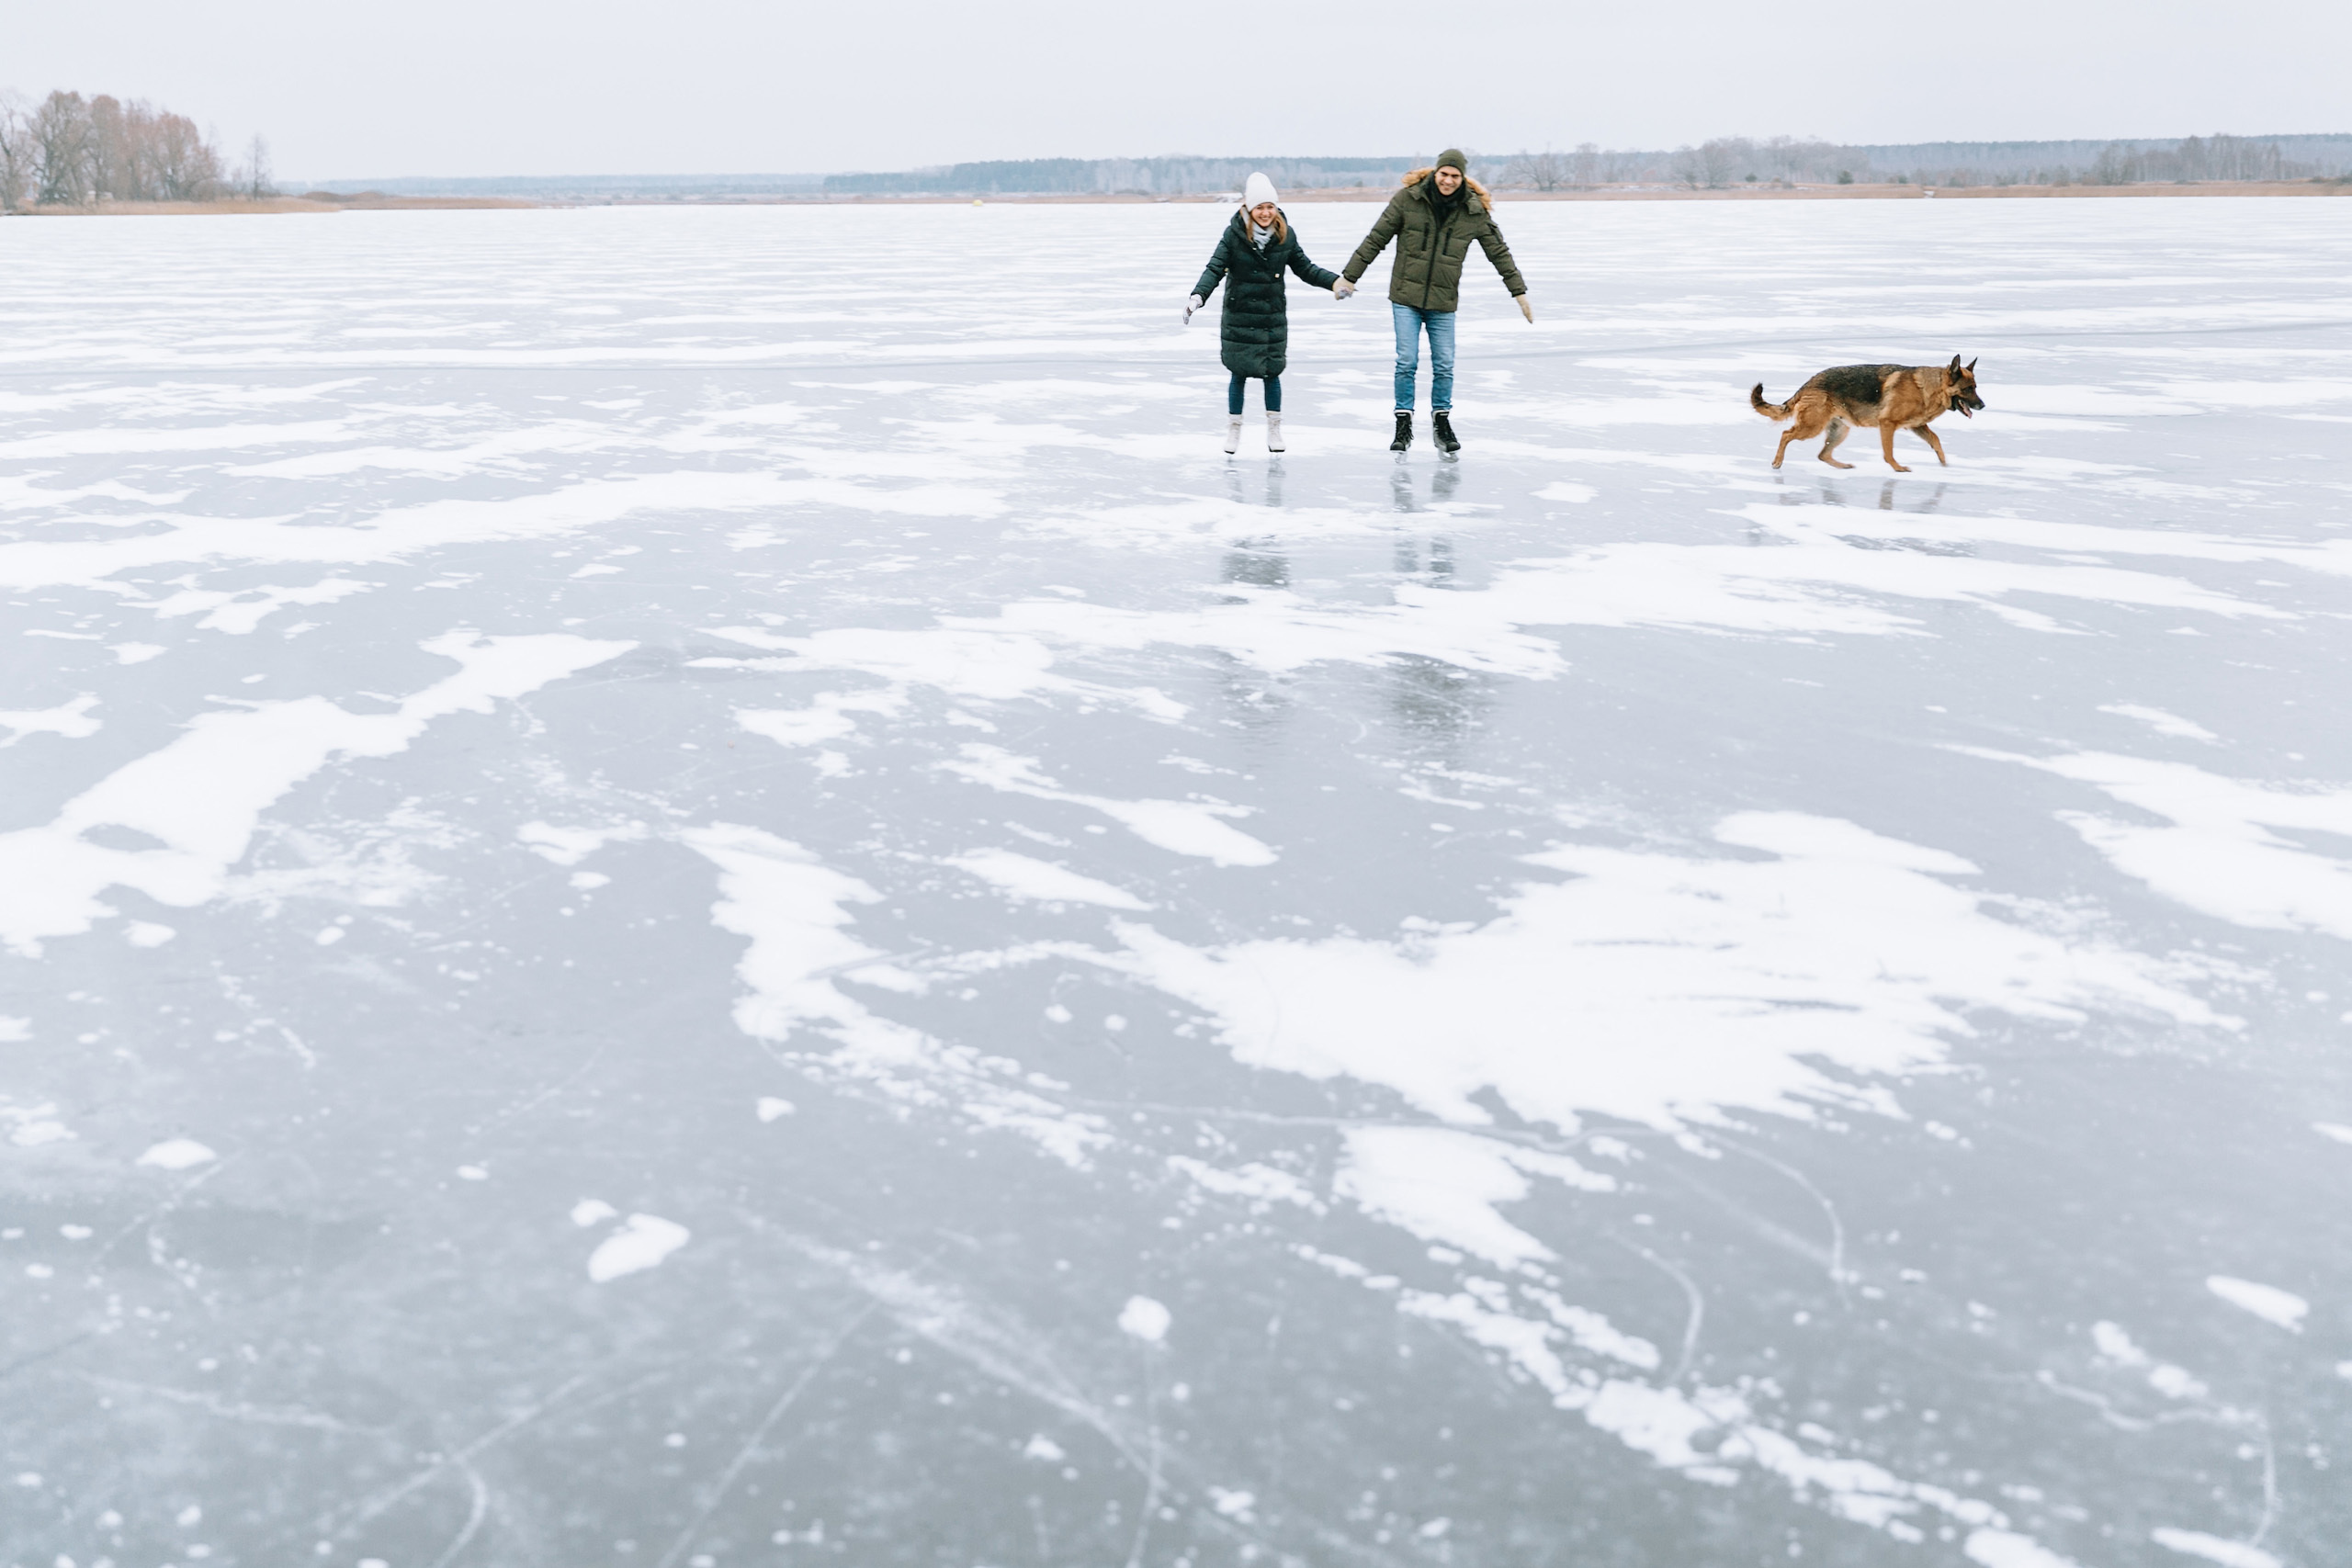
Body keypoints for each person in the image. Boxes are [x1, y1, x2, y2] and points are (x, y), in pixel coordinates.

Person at [1340, 149, 1532, 455]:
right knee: (1407, 361)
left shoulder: (1473, 210)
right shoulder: (1408, 200)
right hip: (1406, 297)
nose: (1448, 181)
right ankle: (1403, 423)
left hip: (1443, 301)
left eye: (1455, 176)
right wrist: (1349, 277)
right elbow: (1376, 239)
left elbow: (1499, 252)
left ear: (1463, 178)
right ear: (1435, 173)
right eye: (1444, 174)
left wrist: (1518, 292)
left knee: (1444, 365)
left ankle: (1441, 420)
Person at [1188, 172, 1352, 456]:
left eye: (1270, 207)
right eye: (1260, 207)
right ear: (1249, 208)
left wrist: (1335, 282)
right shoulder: (1234, 235)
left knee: (1271, 372)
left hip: (1271, 316)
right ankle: (1234, 429)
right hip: (1239, 314)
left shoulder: (1285, 236)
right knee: (1238, 373)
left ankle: (1274, 429)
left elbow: (1306, 268)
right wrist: (1198, 295)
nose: (1265, 213)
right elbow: (1215, 268)